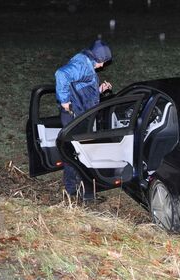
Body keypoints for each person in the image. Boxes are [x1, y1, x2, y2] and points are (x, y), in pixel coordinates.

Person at [55, 39, 113, 202]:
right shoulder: (84, 65)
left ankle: (72, 189)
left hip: (78, 113)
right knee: (83, 153)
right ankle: (87, 195)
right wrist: (64, 101)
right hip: (75, 115)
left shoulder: (84, 60)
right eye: (102, 62)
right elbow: (61, 74)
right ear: (96, 58)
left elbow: (81, 89)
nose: (102, 66)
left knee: (73, 152)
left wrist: (99, 90)